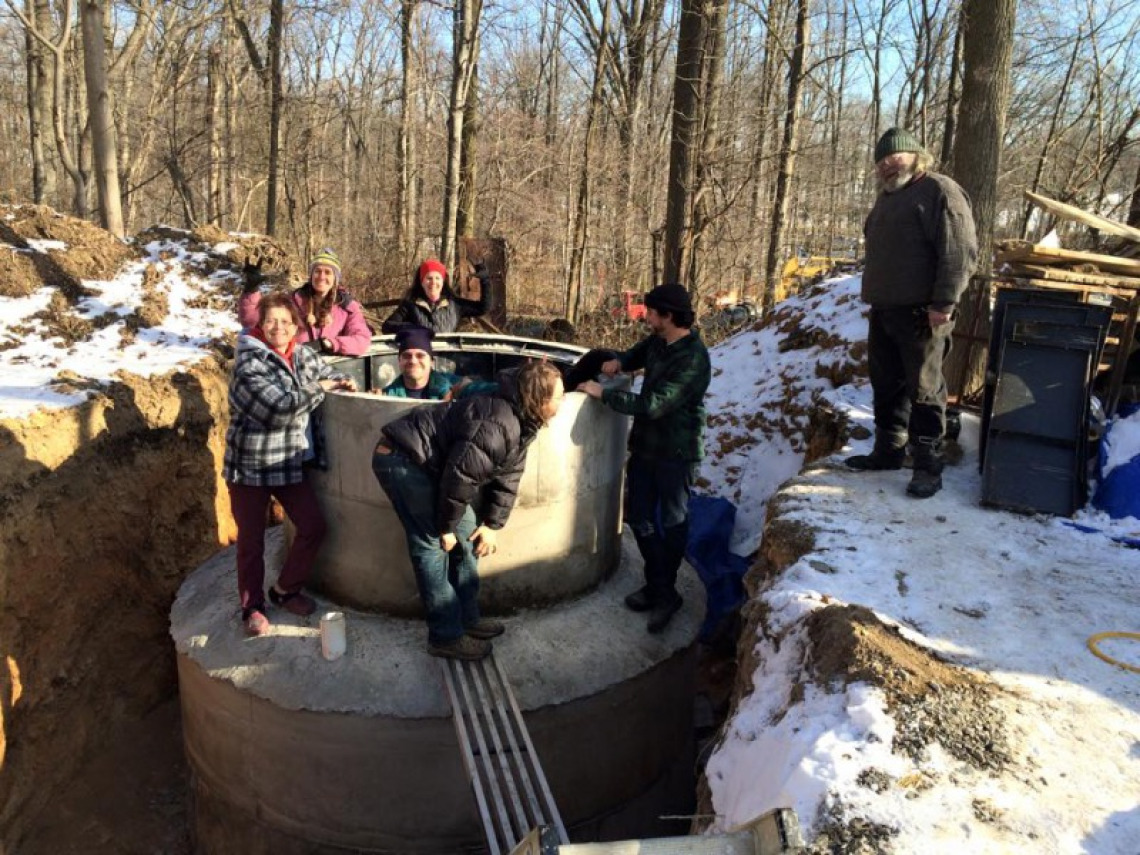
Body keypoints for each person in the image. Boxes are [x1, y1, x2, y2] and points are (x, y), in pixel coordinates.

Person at [372, 361, 565, 660]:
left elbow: (508, 477)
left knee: (469, 536)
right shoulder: (498, 424)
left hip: (431, 465)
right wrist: (445, 529)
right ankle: (445, 636)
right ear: (538, 399)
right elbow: (459, 478)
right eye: (558, 396)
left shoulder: (523, 421)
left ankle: (467, 618)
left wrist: (492, 525)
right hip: (402, 459)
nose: (562, 402)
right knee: (432, 546)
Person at [845, 127, 978, 499]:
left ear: (917, 156)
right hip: (885, 309)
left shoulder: (938, 191)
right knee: (886, 384)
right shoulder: (887, 198)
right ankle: (888, 452)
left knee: (924, 388)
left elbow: (959, 251)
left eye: (895, 156)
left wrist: (944, 303)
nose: (888, 164)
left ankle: (927, 465)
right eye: (882, 160)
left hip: (923, 311)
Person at [223, 292, 358, 636]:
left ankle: (285, 590)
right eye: (271, 321)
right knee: (251, 542)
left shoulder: (300, 356)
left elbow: (328, 371)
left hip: (287, 463)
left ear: (296, 326)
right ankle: (252, 607)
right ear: (260, 325)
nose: (278, 328)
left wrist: (344, 381)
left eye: (285, 321)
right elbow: (277, 408)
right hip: (250, 466)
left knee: (313, 526)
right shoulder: (248, 364)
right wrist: (319, 388)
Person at [578, 283, 710, 634]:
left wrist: (602, 394)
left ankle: (665, 593)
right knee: (638, 517)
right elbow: (634, 356)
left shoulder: (693, 358)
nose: (646, 316)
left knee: (672, 522)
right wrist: (617, 362)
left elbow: (653, 406)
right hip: (647, 449)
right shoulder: (658, 341)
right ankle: (659, 587)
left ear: (668, 316)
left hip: (676, 455)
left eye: (651, 311)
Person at [239, 248, 372, 356]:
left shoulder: (347, 307)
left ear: (335, 279)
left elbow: (362, 340)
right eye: (317, 271)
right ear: (311, 274)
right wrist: (251, 290)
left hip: (332, 370)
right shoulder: (292, 301)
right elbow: (253, 321)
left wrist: (329, 343)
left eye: (328, 272)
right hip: (296, 366)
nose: (322, 277)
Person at [382, 258, 492, 334]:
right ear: (422, 282)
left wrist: (485, 281)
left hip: (447, 359)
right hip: (421, 356)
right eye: (429, 278)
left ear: (443, 282)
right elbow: (387, 326)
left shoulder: (455, 305)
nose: (433, 282)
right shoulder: (410, 305)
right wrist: (412, 329)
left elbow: (483, 308)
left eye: (437, 278)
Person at [382, 326, 455, 400]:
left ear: (431, 362)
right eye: (407, 356)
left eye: (420, 356)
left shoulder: (450, 386)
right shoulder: (386, 397)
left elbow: (466, 385)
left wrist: (458, 391)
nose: (413, 361)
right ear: (399, 361)